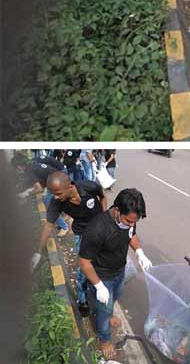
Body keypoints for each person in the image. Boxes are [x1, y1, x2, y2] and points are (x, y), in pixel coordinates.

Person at [79, 188, 152, 360]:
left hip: (119, 271)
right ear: (117, 210)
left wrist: (139, 251)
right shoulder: (97, 228)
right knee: (103, 313)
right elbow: (83, 261)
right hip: (102, 276)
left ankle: (109, 311)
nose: (131, 224)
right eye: (128, 221)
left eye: (134, 221)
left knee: (115, 296)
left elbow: (131, 234)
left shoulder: (129, 220)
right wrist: (98, 285)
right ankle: (104, 339)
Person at [33, 171, 106, 315]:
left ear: (70, 186)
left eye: (59, 193)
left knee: (103, 264)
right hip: (82, 233)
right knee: (83, 270)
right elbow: (48, 226)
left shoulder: (89, 187)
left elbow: (102, 197)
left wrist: (104, 217)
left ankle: (101, 288)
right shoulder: (57, 203)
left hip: (100, 230)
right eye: (53, 193)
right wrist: (38, 251)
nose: (55, 197)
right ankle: (82, 300)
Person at [14, 152, 69, 233]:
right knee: (50, 201)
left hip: (57, 181)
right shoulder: (32, 164)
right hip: (58, 178)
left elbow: (40, 189)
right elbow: (41, 181)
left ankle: (64, 227)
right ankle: (64, 217)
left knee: (49, 205)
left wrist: (26, 195)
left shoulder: (28, 170)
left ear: (18, 167)